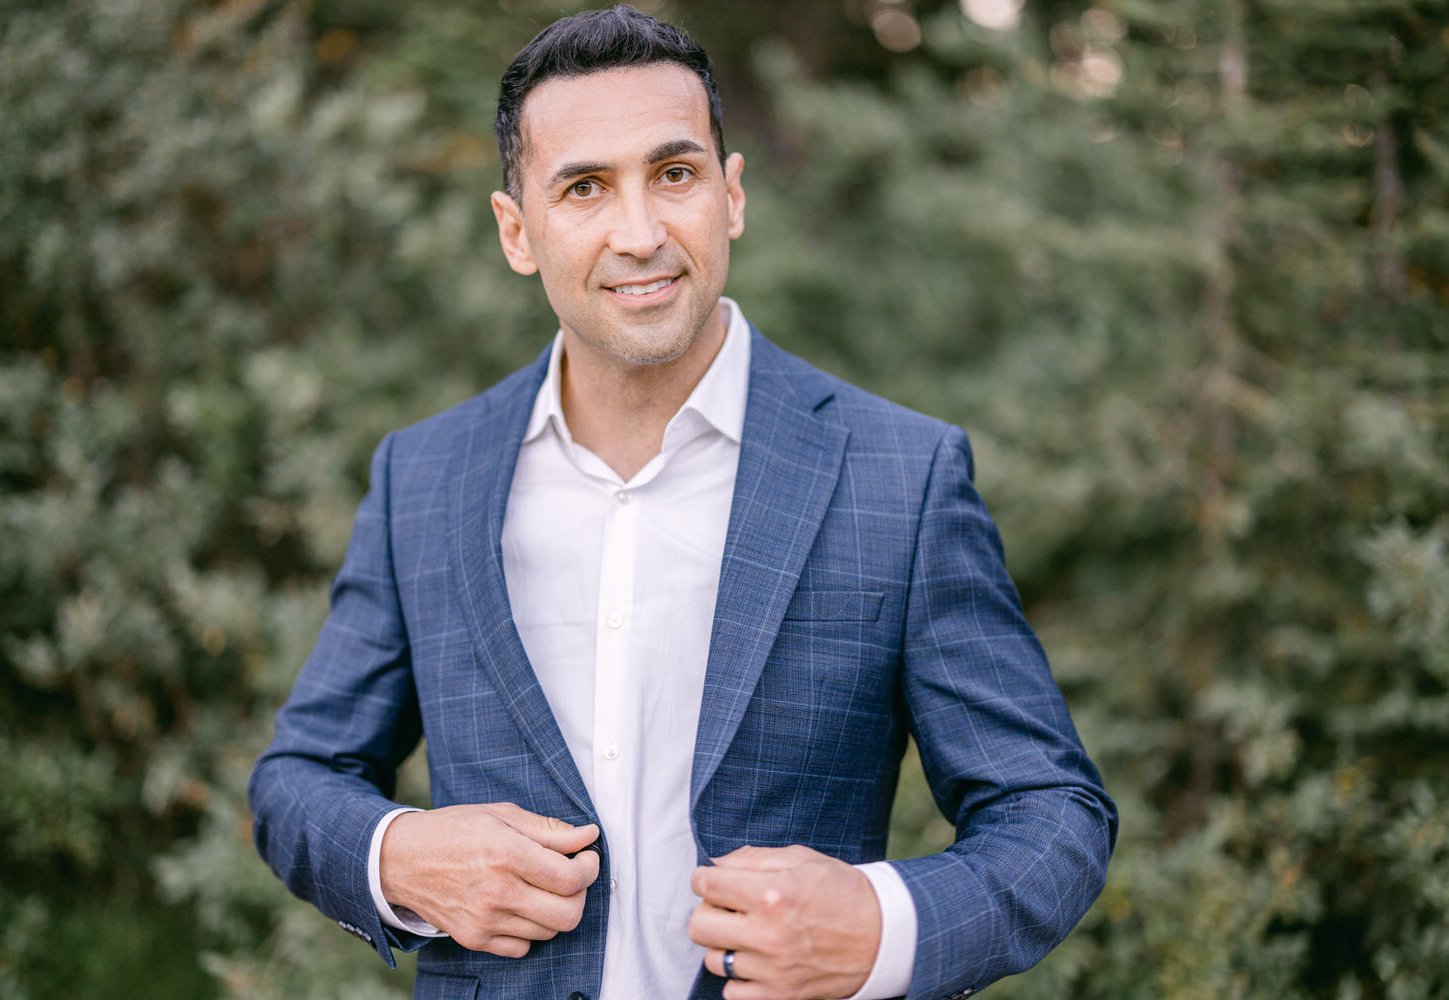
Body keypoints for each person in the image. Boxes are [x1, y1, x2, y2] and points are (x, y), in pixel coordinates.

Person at [247, 7, 1117, 1000]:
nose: (642, 232)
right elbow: (296, 778)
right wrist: (397, 856)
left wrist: (881, 925)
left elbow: (1053, 813)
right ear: (516, 231)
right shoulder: (424, 477)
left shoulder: (900, 476)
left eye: (674, 174)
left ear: (731, 194)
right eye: (584, 188)